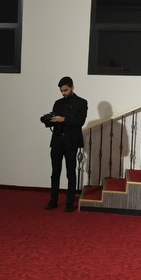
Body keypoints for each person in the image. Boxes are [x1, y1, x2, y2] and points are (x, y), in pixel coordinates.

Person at [42, 76, 88, 212]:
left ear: (72, 87)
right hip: (57, 141)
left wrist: (64, 119)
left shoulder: (82, 102)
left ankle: (69, 202)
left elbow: (80, 121)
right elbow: (54, 120)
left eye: (65, 90)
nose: (63, 93)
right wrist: (47, 120)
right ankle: (53, 200)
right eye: (61, 91)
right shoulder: (58, 103)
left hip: (71, 142)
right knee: (55, 172)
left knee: (70, 173)